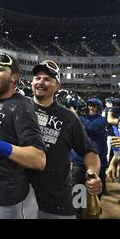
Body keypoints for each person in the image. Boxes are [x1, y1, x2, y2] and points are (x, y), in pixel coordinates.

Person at [0, 44, 46, 219]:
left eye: (1, 70)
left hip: (5, 199)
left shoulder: (21, 108)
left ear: (14, 77)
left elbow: (39, 159)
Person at [29, 60, 102, 219]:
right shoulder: (19, 107)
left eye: (47, 79)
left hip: (56, 204)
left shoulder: (69, 118)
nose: (41, 81)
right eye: (37, 77)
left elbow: (89, 152)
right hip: (19, 199)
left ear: (58, 86)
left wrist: (92, 172)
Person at [71, 98, 108, 196]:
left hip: (96, 161)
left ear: (99, 107)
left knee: (94, 192)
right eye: (90, 105)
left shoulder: (102, 120)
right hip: (79, 160)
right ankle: (78, 210)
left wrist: (76, 117)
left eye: (94, 106)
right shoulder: (82, 118)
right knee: (78, 190)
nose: (91, 108)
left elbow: (91, 128)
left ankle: (92, 210)